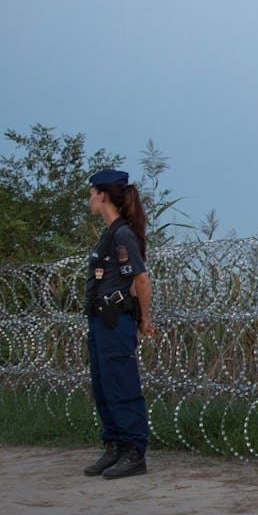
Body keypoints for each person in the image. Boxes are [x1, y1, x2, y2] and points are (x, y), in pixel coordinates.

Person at [82, 168, 157, 479]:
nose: (89, 199)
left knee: (121, 386)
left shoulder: (122, 234)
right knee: (103, 387)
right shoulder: (110, 234)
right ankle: (113, 444)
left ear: (102, 195)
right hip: (101, 321)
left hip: (116, 321)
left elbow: (140, 279)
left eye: (91, 194)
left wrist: (144, 317)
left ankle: (133, 451)